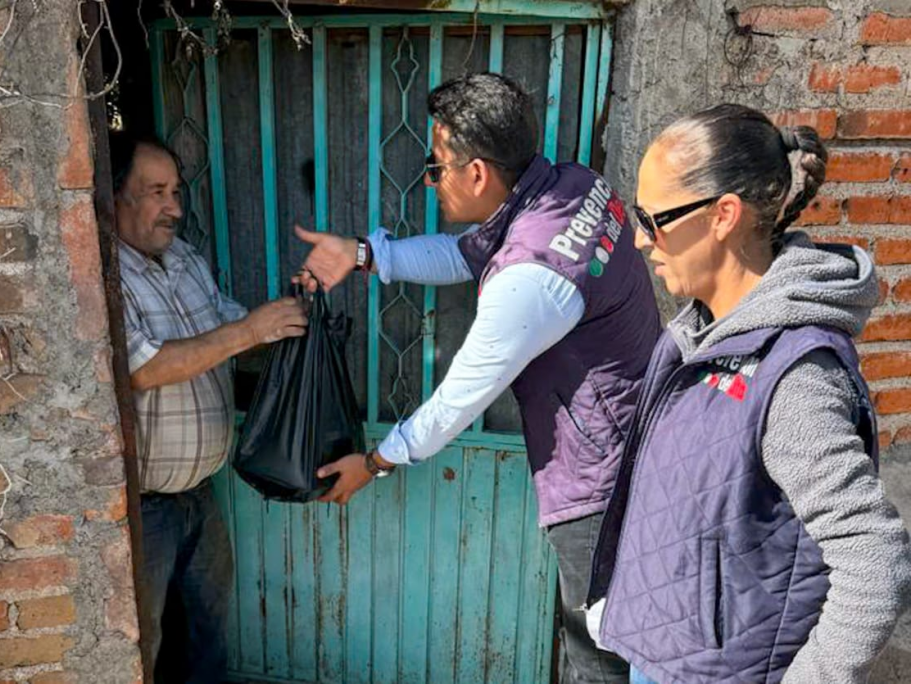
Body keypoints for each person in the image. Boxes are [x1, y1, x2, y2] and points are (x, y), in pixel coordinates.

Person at [295, 72, 660, 683]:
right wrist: (365, 255)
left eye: (435, 169)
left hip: (601, 481)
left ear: (478, 174)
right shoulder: (571, 186)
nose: (428, 181)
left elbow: (458, 401)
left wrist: (376, 462)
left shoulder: (534, 277)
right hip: (634, 438)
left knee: (599, 658)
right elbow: (468, 253)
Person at [586, 104, 911, 684]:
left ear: (723, 216)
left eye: (652, 219)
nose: (639, 239)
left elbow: (875, 563)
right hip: (663, 657)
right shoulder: (696, 334)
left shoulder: (794, 374)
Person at [111, 133, 307, 683]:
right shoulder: (106, 275)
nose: (174, 207)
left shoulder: (183, 258)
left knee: (206, 632)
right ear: (115, 196)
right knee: (142, 642)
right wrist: (250, 330)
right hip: (144, 508)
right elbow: (144, 368)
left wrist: (284, 323)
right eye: (157, 191)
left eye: (176, 191)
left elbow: (229, 328)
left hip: (200, 493)